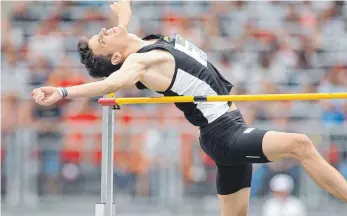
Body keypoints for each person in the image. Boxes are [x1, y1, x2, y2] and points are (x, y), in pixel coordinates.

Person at [31, 1, 347, 215]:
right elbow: (105, 85)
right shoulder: (141, 63)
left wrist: (122, 13)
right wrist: (62, 91)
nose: (105, 31)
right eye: (102, 39)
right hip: (225, 134)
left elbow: (124, 32)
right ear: (115, 58)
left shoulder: (144, 45)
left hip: (227, 131)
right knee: (300, 144)